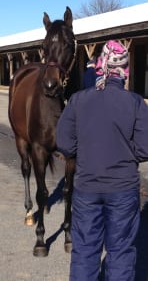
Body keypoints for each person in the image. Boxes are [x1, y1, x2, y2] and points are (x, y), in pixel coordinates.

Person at [56, 40, 148, 281]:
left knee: (85, 251)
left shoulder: (78, 100)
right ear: (124, 70)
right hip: (123, 190)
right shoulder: (136, 103)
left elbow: (64, 143)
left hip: (87, 188)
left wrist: (84, 151)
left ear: (100, 66)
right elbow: (145, 149)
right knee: (120, 253)